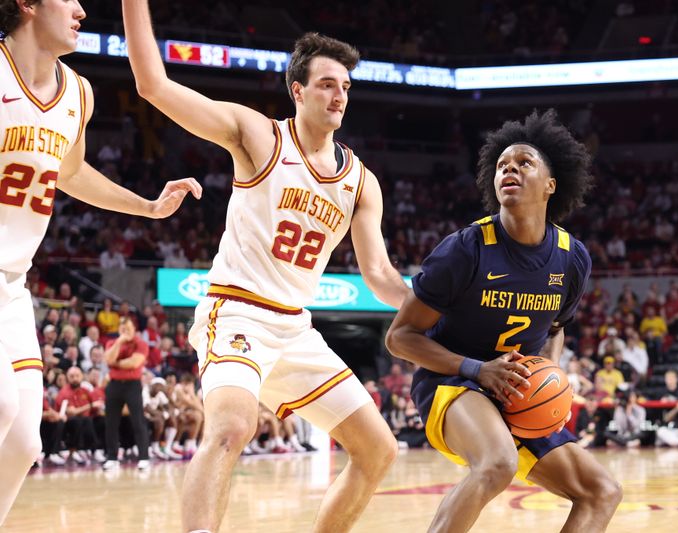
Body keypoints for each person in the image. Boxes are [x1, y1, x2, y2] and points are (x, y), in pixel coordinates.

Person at [121, 4, 409, 530]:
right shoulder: (258, 135)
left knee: (379, 449)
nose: (338, 95)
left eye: (344, 86)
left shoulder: (361, 181)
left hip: (295, 327)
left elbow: (382, 277)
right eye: (325, 84)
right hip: (235, 312)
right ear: (297, 92)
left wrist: (434, 305)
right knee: (231, 429)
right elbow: (152, 85)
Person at [0, 0, 201, 524]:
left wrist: (148, 206)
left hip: (11, 284)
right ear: (27, 4)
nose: (83, 10)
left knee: (23, 442)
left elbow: (72, 174)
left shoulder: (78, 93)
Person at [385, 110, 621, 533]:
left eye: (524, 162)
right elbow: (400, 338)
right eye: (501, 165)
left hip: (516, 391)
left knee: (601, 490)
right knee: (497, 463)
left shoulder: (572, 258)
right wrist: (477, 369)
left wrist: (548, 370)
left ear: (551, 185)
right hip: (452, 382)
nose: (509, 168)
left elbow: (555, 328)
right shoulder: (466, 248)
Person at [102, 317, 150, 470]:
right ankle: (112, 458)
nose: (126, 332)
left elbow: (134, 363)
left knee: (138, 421)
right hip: (114, 385)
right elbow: (108, 360)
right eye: (123, 329)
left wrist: (115, 364)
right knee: (111, 423)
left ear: (134, 329)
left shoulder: (141, 344)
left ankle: (144, 458)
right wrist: (119, 342)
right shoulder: (112, 343)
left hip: (132, 385)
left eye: (128, 329)